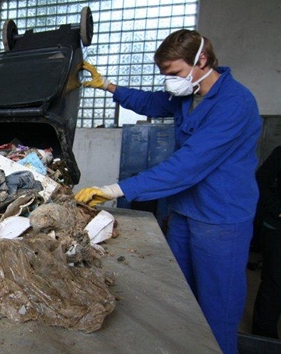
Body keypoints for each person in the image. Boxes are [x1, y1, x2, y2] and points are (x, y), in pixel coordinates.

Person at [75, 29, 261, 354]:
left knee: (217, 311)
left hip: (220, 220)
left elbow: (187, 166)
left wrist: (116, 189)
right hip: (185, 212)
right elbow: (150, 101)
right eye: (164, 74)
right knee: (178, 300)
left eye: (173, 73)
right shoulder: (189, 94)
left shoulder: (235, 103)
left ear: (201, 59)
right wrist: (107, 85)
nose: (169, 81)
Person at [252, 139, 281, 341]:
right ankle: (264, 341)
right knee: (273, 286)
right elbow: (261, 182)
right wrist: (279, 210)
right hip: (280, 232)